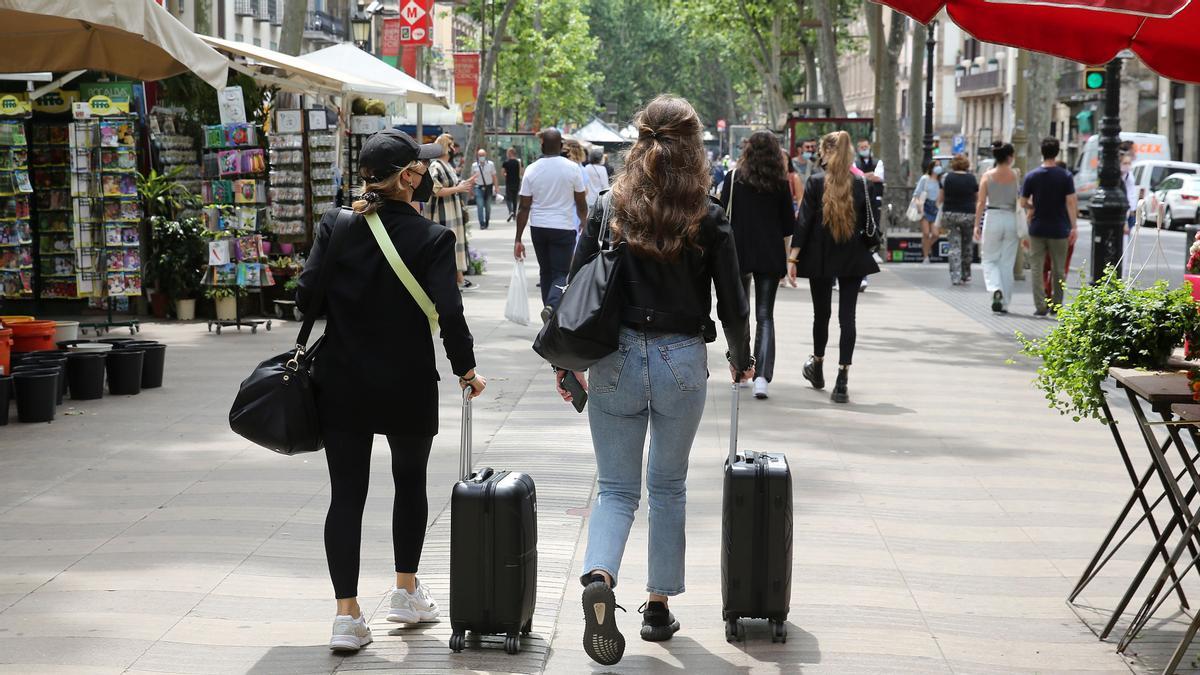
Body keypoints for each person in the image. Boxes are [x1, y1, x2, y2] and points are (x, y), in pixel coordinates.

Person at [557, 95, 752, 666]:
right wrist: (742, 358)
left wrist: (565, 366)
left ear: (639, 142)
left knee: (616, 489)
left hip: (614, 358)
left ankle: (599, 574)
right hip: (682, 358)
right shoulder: (709, 216)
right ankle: (658, 606)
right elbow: (734, 304)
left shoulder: (608, 208)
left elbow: (575, 292)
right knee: (667, 486)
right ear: (694, 147)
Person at [295, 129, 485, 653]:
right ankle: (404, 591)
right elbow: (449, 313)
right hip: (407, 382)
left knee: (346, 496)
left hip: (342, 381)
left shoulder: (337, 224)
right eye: (419, 168)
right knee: (410, 484)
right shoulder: (432, 239)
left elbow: (304, 298)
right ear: (405, 178)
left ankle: (346, 615)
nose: (424, 174)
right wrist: (466, 371)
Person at [788, 130, 880, 404]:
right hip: (853, 257)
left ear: (827, 152)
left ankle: (817, 367)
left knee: (822, 314)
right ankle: (842, 380)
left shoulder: (816, 183)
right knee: (847, 317)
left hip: (821, 257)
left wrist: (793, 258)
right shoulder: (863, 184)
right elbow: (871, 223)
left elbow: (803, 223)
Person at [719, 132, 793, 400]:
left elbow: (722, 218)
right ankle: (762, 375)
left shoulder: (733, 178)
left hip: (738, 252)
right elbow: (788, 225)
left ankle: (741, 367)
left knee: (740, 313)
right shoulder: (780, 183)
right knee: (765, 314)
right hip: (770, 253)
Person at [514, 128, 587, 319]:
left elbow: (523, 207)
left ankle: (549, 308)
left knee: (545, 271)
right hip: (563, 227)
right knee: (561, 272)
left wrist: (518, 238)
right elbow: (581, 202)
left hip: (538, 227)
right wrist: (584, 222)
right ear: (561, 146)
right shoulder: (573, 169)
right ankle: (552, 306)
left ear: (542, 145)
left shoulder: (532, 169)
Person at [1021, 136, 1078, 316]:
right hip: (1059, 229)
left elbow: (1022, 202)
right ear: (1057, 152)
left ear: (1042, 152)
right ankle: (1057, 305)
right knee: (1058, 269)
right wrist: (1074, 227)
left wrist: (1033, 206)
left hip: (1037, 228)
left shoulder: (1032, 176)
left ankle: (1040, 306)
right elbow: (1070, 202)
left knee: (1037, 268)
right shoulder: (1065, 176)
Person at [974, 141, 1020, 314]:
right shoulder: (1016, 175)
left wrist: (977, 224)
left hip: (992, 216)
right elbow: (1020, 199)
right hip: (1011, 218)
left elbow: (980, 202)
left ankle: (995, 289)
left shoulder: (987, 176)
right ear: (1009, 157)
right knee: (1007, 263)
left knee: (988, 258)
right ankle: (1006, 302)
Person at [940, 153, 978, 285]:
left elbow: (941, 197)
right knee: (967, 244)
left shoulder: (946, 178)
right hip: (968, 214)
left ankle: (955, 276)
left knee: (954, 246)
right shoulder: (972, 179)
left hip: (950, 215)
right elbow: (977, 197)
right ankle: (965, 274)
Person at [913, 161, 943, 264]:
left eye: (939, 165)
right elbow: (916, 194)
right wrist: (919, 207)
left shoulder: (940, 181)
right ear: (931, 167)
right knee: (926, 233)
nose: (938, 167)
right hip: (925, 206)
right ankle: (926, 256)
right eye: (936, 165)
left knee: (935, 234)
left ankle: (927, 247)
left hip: (936, 207)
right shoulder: (925, 179)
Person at [467, 148, 497, 230]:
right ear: (477, 156)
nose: (481, 157)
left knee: (488, 207)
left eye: (483, 155)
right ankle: (482, 223)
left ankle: (487, 221)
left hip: (489, 187)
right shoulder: (474, 165)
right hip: (478, 187)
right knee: (479, 205)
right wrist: (470, 190)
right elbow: (472, 178)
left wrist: (496, 188)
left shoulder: (491, 164)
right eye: (480, 155)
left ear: (486, 155)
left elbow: (494, 177)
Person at [501, 147, 522, 222]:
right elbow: (520, 172)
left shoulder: (506, 162)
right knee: (515, 198)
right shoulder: (518, 162)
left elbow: (502, 172)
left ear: (509, 153)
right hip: (516, 182)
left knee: (508, 198)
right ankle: (514, 215)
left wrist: (506, 174)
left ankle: (510, 211)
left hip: (509, 182)